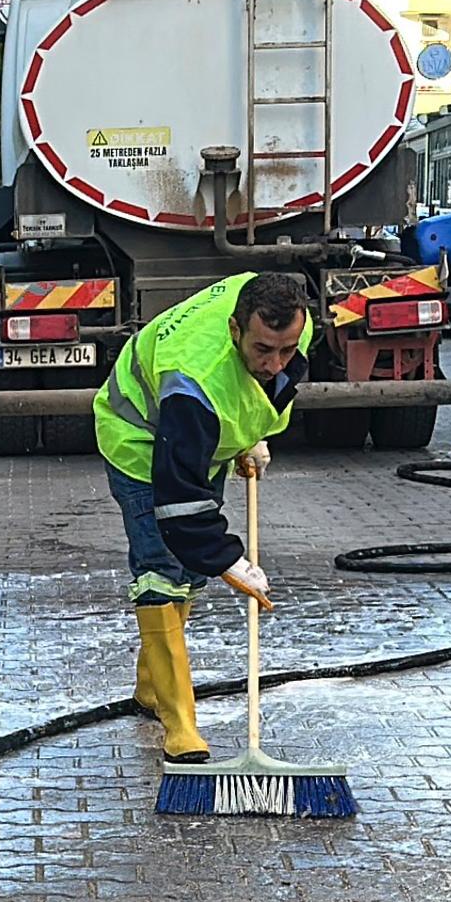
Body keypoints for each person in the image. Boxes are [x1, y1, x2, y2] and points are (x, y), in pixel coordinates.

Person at [91, 272, 314, 764]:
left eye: (286, 350)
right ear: (235, 330)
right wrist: (229, 560)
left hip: (197, 442)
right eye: (262, 351)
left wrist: (249, 435)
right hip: (140, 441)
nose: (275, 363)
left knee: (189, 573)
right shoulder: (195, 379)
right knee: (162, 571)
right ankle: (180, 724)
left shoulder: (290, 322)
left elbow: (263, 389)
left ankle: (151, 688)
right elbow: (179, 496)